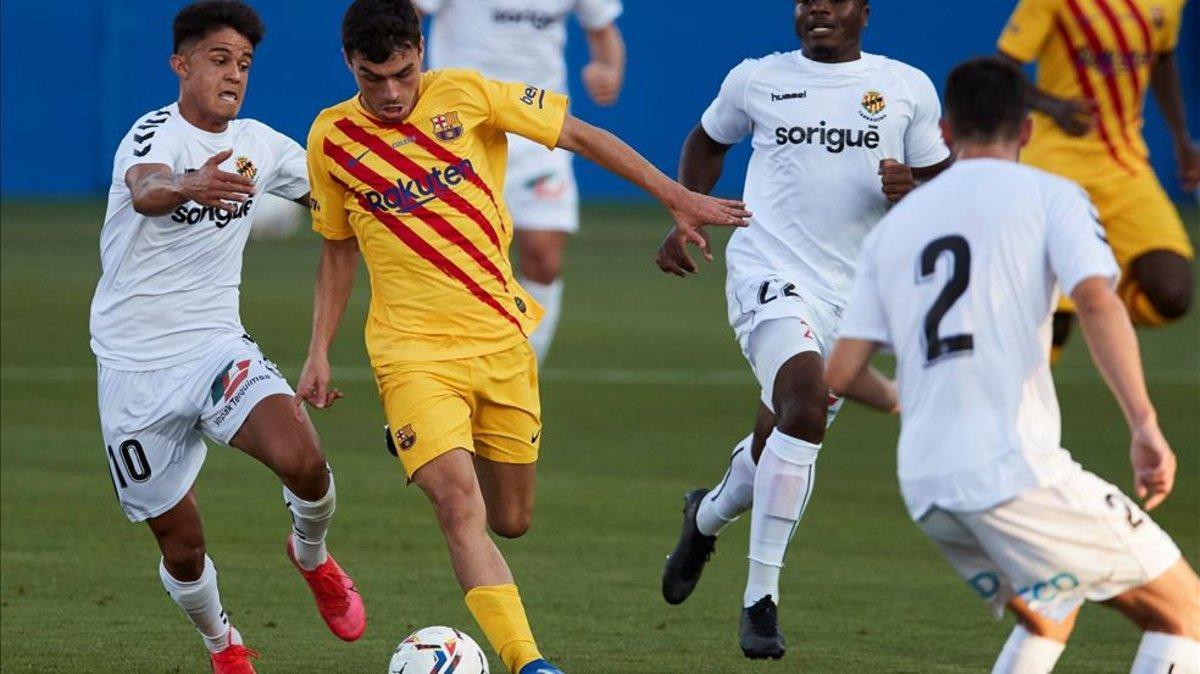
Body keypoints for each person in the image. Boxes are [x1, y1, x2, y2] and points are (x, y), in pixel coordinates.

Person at [294, 2, 748, 673]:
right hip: (411, 352)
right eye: (371, 79)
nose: (389, 93)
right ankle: (530, 662)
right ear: (347, 64)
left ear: (420, 50)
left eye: (401, 73)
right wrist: (318, 350)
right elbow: (337, 249)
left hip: (502, 341)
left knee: (510, 519)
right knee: (457, 505)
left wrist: (674, 195)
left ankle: (431, 435)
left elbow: (582, 135)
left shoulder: (469, 94)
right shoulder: (331, 139)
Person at [827, 56, 1199, 674]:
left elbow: (837, 374)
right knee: (1184, 612)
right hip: (1011, 473)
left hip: (928, 487)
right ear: (1027, 130)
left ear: (945, 132)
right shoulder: (1051, 194)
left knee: (1054, 606)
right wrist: (1143, 423)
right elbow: (1098, 302)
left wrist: (903, 398)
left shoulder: (896, 229)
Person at [655, 0, 951, 659]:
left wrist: (913, 189)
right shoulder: (757, 79)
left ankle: (704, 517)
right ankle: (762, 600)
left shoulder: (905, 88)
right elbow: (708, 140)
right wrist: (688, 214)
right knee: (806, 403)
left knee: (782, 437)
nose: (819, 7)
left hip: (856, 293)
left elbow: (942, 185)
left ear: (863, 12)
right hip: (767, 269)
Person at [88, 2, 365, 673]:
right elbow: (148, 188)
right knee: (181, 545)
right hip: (133, 370)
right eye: (218, 59)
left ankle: (313, 556)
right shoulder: (152, 136)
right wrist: (189, 183)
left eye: (243, 63)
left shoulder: (263, 146)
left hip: (215, 347)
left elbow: (340, 200)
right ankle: (224, 644)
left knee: (304, 459)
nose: (233, 74)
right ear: (180, 65)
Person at [416, 0, 626, 363]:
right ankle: (443, 369)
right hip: (459, 132)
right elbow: (402, 18)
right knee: (454, 259)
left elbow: (603, 31)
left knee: (544, 257)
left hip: (539, 130)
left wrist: (609, 70)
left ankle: (523, 373)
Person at [997, 0, 1198, 358]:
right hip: (1055, 163)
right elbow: (1002, 68)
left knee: (1171, 294)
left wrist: (1182, 139)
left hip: (1124, 163)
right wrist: (1053, 106)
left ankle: (1095, 296)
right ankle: (1016, 407)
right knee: (1053, 319)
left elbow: (1164, 59)